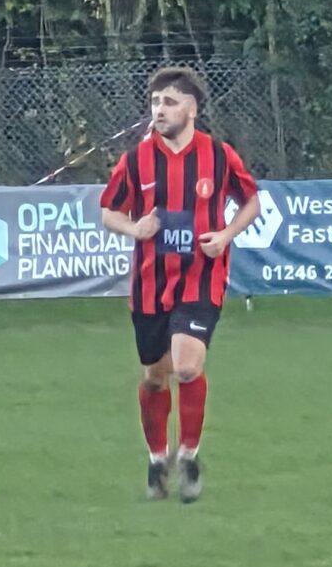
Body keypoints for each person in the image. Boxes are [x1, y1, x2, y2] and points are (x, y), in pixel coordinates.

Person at [100, 67, 261, 503]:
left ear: (191, 108)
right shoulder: (136, 159)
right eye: (155, 103)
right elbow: (108, 212)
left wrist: (226, 236)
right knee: (155, 378)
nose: (159, 110)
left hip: (201, 277)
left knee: (187, 366)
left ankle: (189, 454)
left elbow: (251, 201)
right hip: (151, 283)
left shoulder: (219, 155)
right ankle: (157, 459)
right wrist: (135, 230)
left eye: (169, 102)